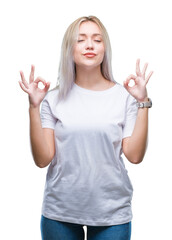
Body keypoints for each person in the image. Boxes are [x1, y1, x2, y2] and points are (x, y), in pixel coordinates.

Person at [19, 16, 153, 240]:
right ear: (69, 49)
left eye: (97, 40)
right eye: (81, 40)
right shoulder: (53, 99)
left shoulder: (125, 97)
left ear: (104, 49)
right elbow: (42, 159)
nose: (90, 45)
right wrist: (34, 106)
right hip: (60, 211)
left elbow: (135, 155)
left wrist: (143, 102)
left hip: (112, 214)